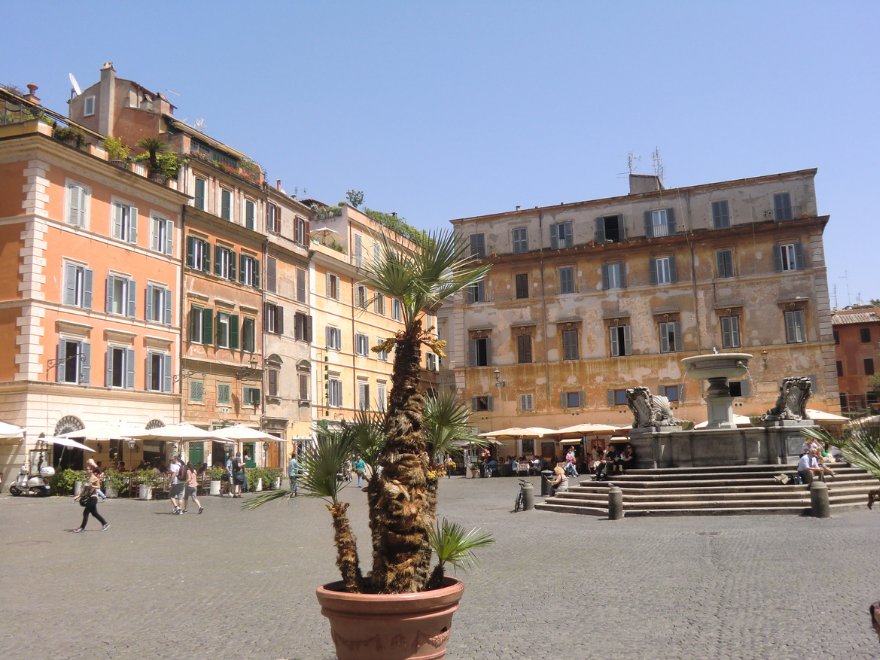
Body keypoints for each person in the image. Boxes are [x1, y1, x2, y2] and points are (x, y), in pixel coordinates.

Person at [73, 465, 109, 533]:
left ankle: (82, 527)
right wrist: (78, 496)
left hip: (93, 498)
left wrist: (92, 486)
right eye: (86, 469)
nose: (86, 470)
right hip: (89, 497)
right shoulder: (89, 478)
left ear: (91, 470)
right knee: (94, 513)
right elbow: (85, 489)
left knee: (85, 513)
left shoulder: (94, 478)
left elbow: (98, 487)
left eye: (87, 469)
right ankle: (105, 523)